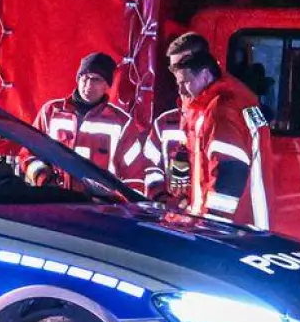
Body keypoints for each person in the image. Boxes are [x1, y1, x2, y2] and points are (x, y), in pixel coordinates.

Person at [168, 46, 272, 228]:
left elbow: (230, 173)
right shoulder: (237, 101)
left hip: (236, 227)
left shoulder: (221, 110)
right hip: (248, 219)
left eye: (185, 82)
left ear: (205, 75)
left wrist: (213, 224)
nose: (181, 90)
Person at [21, 52, 144, 190]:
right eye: (85, 77)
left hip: (100, 208)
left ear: (107, 85)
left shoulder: (122, 123)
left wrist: (124, 206)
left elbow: (135, 174)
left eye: (96, 79)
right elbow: (28, 153)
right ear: (78, 79)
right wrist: (43, 178)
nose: (89, 84)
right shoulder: (50, 112)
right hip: (55, 201)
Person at [142, 32, 208, 203]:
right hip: (170, 220)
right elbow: (149, 165)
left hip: (204, 221)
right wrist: (161, 198)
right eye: (173, 68)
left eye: (182, 65)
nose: (177, 74)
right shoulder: (164, 123)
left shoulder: (217, 117)